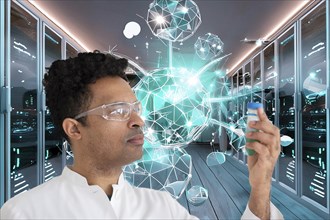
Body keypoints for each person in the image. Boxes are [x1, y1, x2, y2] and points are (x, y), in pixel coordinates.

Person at [0, 52, 283, 219]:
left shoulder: (162, 208)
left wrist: (260, 188)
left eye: (136, 108)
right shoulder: (24, 213)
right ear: (74, 128)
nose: (138, 120)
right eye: (118, 110)